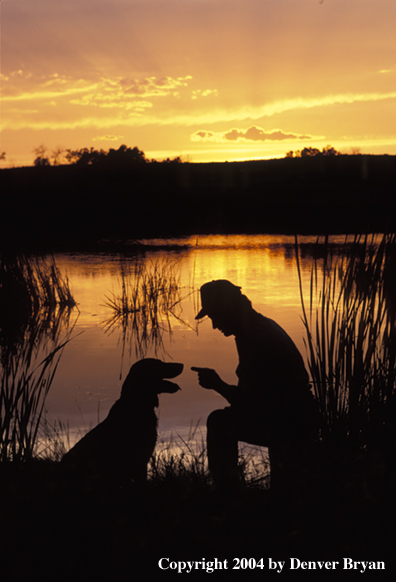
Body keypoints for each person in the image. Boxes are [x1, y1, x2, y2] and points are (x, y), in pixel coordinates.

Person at [191, 279, 318, 490]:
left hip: (291, 422)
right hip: (289, 415)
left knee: (219, 422)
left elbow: (252, 405)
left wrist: (218, 385)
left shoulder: (258, 339)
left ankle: (226, 495)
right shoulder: (253, 329)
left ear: (228, 309)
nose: (214, 325)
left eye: (215, 316)